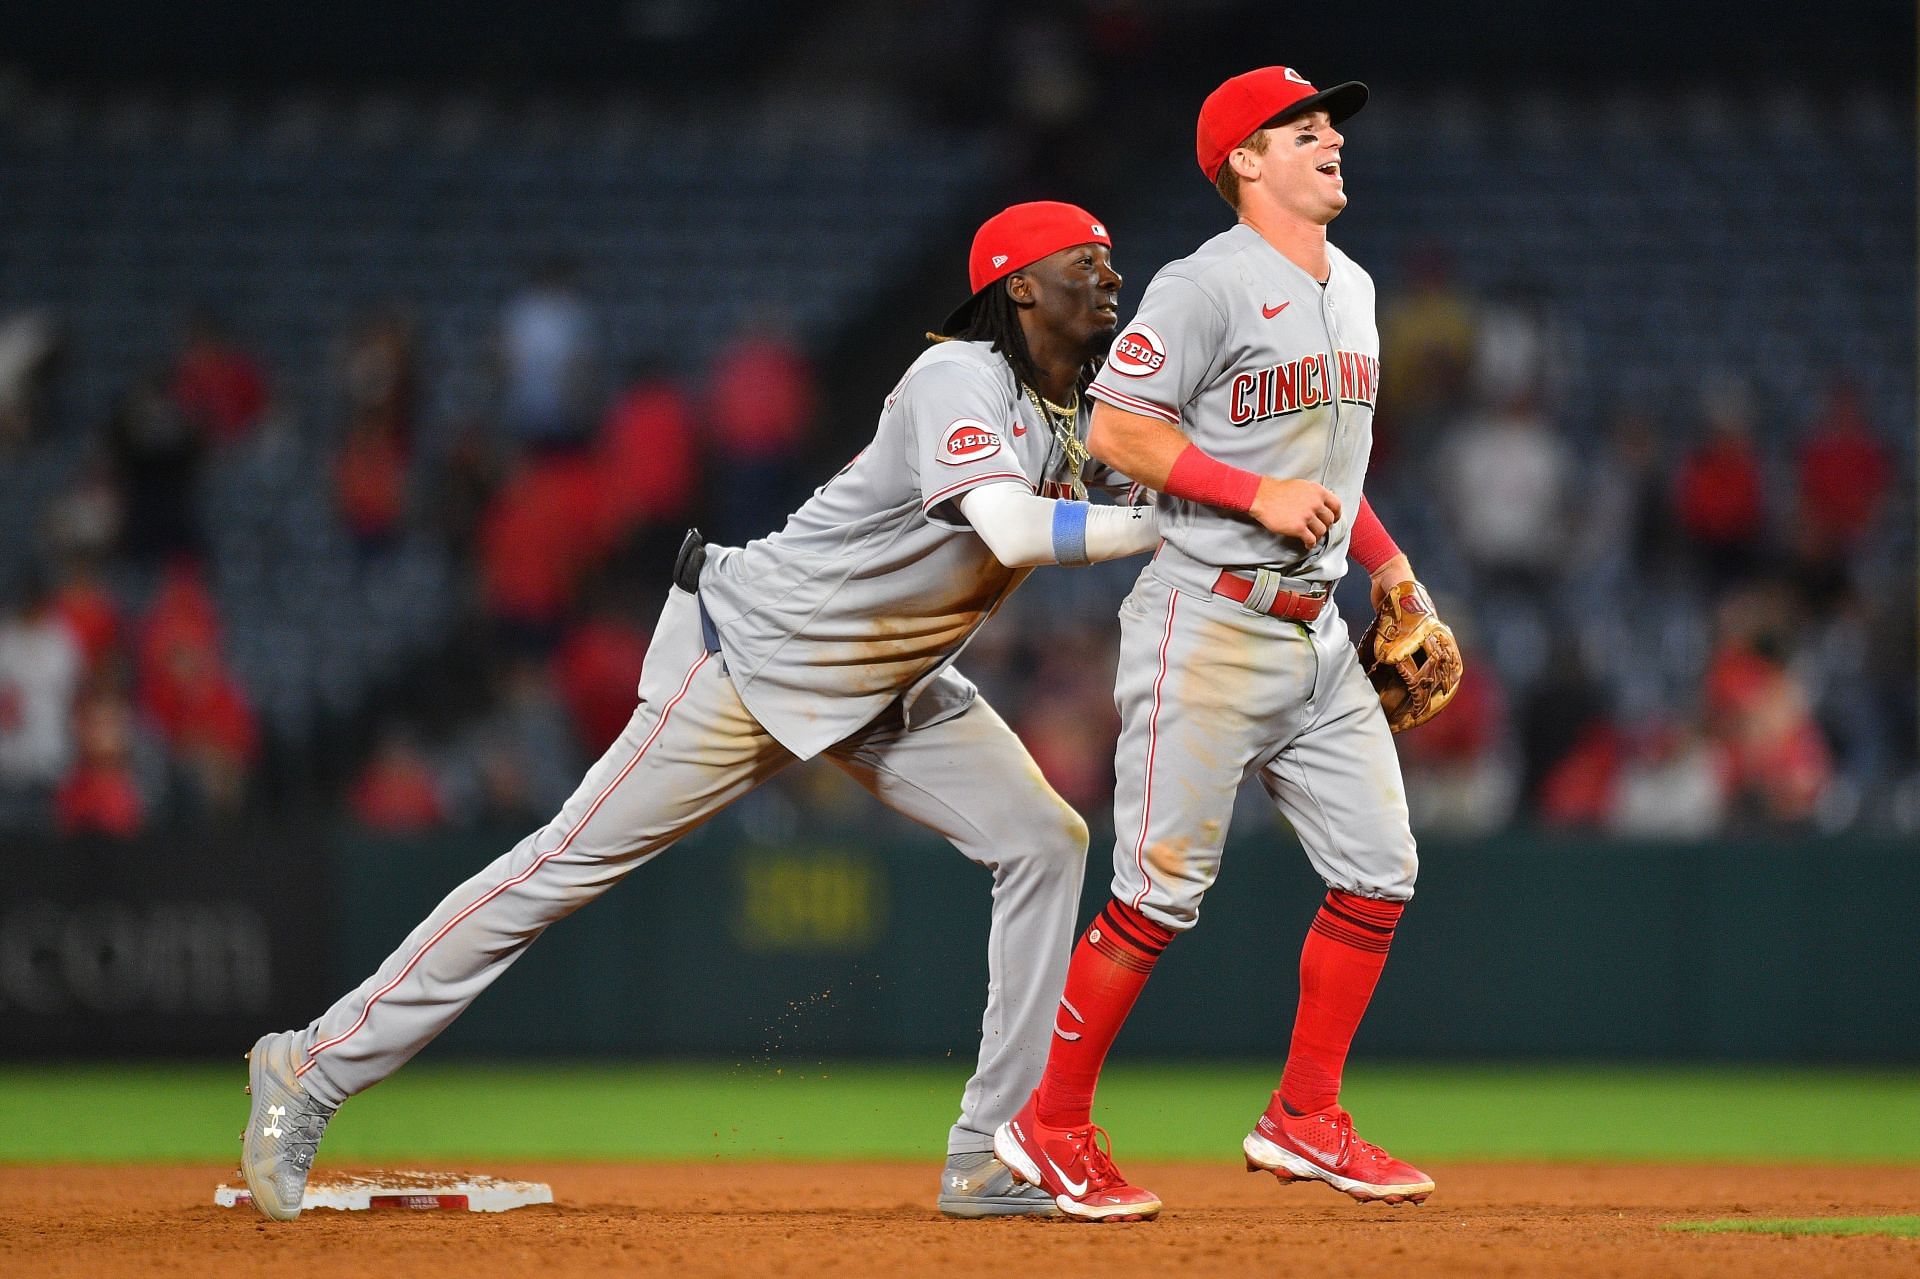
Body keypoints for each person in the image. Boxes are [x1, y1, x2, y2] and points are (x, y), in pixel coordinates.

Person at [239, 202, 1160, 1223]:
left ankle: (992, 1148)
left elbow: (1171, 481)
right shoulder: (960, 377)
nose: (1114, 277)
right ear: (1020, 285)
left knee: (1044, 839)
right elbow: (1006, 521)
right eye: (1091, 259)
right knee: (553, 870)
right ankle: (309, 1065)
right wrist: (1155, 523)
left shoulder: (1076, 405)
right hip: (755, 655)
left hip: (883, 683)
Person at [993, 67, 1453, 1221]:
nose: (1332, 139)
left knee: (1380, 868)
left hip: (1320, 637)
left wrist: (1394, 572)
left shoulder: (1354, 287)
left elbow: (1332, 477)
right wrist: (1248, 493)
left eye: (1333, 125)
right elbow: (1116, 429)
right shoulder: (1202, 287)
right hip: (1207, 619)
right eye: (1304, 130)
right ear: (1244, 160)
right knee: (1157, 895)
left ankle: (1305, 1116)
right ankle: (1047, 1124)